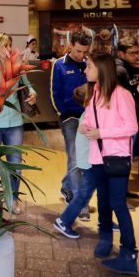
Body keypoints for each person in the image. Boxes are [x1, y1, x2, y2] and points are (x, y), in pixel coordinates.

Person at [79, 52, 139, 274]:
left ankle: (129, 252)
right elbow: (88, 120)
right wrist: (84, 127)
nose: (86, 71)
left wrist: (101, 132)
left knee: (117, 203)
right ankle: (105, 240)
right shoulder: (95, 93)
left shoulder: (122, 95)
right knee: (103, 202)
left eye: (89, 67)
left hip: (116, 158)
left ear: (101, 70)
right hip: (97, 157)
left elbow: (131, 127)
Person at [0, 33, 37, 215]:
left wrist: (32, 93)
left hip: (14, 121)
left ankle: (13, 198)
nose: (7, 50)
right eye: (4, 46)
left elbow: (29, 86)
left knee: (15, 164)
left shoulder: (17, 67)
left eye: (10, 45)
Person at [50, 31, 91, 204]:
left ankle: (67, 185)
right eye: (78, 51)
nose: (81, 56)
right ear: (71, 46)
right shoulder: (59, 65)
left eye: (84, 52)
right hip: (70, 118)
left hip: (88, 117)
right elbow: (54, 92)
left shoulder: (89, 65)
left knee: (86, 158)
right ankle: (78, 202)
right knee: (75, 157)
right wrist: (63, 113)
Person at [54, 85, 95, 238]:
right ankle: (64, 220)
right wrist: (63, 113)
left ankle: (65, 218)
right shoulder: (88, 117)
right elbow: (55, 92)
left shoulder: (87, 114)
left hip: (90, 160)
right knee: (85, 191)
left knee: (92, 190)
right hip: (89, 161)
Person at [115, 39, 139, 201]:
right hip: (125, 124)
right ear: (121, 54)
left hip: (130, 121)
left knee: (127, 160)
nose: (136, 56)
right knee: (123, 161)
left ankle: (124, 192)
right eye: (132, 53)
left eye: (137, 52)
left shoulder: (127, 69)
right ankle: (120, 196)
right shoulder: (120, 70)